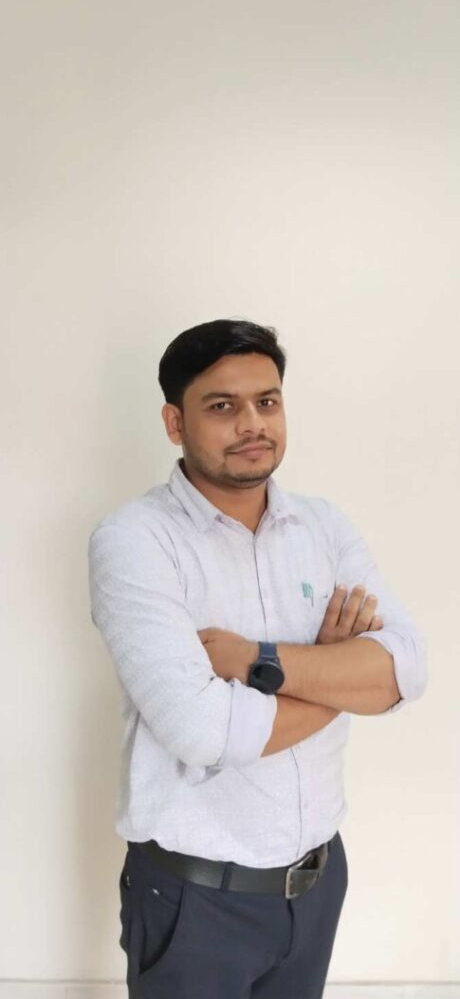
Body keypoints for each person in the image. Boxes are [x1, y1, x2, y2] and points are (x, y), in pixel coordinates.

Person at [88, 318, 427, 998]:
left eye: (267, 401)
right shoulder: (136, 541)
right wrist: (338, 672)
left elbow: (405, 668)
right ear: (174, 422)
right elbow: (206, 733)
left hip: (318, 884)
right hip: (195, 900)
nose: (252, 423)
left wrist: (255, 660)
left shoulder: (323, 526)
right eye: (222, 406)